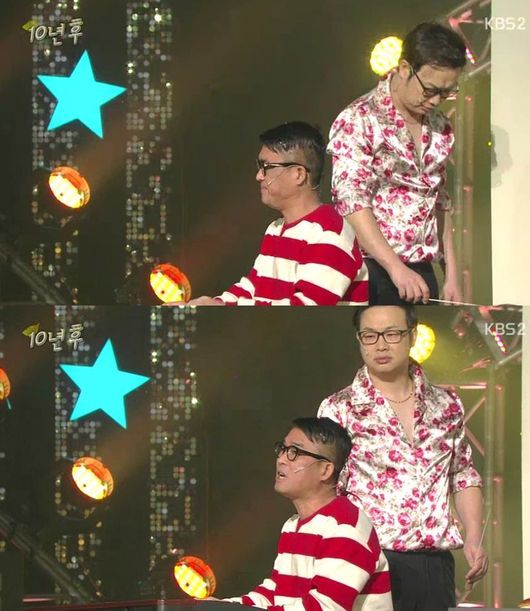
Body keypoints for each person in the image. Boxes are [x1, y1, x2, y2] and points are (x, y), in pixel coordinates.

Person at [318, 305, 488, 611]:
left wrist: (474, 538)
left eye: (392, 334)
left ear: (412, 336)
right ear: (359, 340)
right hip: (368, 562)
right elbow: (326, 491)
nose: (381, 345)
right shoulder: (339, 408)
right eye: (370, 335)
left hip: (434, 566)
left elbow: (462, 475)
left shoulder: (446, 404)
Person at [328, 23, 467, 305]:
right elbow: (351, 200)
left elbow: (438, 201)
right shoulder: (360, 118)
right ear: (405, 68)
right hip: (368, 268)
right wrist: (395, 268)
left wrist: (451, 274)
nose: (436, 101)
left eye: (446, 93)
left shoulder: (440, 126)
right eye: (430, 90)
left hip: (421, 270)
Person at [186, 122, 368, 306]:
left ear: (298, 174)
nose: (259, 176)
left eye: (266, 166)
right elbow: (252, 288)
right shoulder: (275, 229)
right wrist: (214, 303)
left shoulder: (330, 233)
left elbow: (304, 309)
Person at [221, 417, 393, 610]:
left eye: (294, 452)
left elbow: (324, 607)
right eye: (282, 449)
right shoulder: (292, 525)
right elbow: (275, 593)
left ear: (325, 470)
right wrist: (219, 606)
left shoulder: (346, 527)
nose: (281, 459)